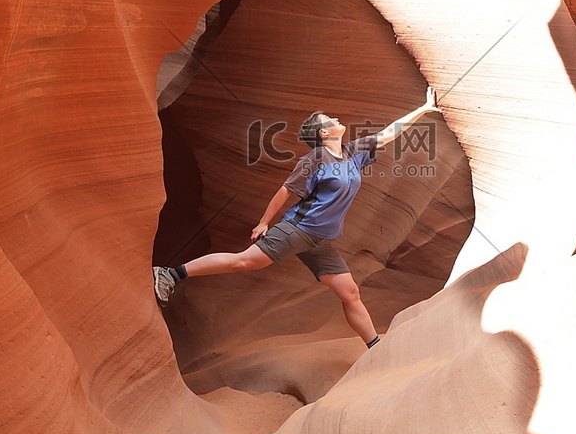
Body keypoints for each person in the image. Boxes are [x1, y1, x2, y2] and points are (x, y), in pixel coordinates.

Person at [153, 86, 441, 349]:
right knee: (245, 261)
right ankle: (169, 273)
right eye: (329, 119)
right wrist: (265, 222)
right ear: (323, 134)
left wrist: (424, 109)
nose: (336, 119)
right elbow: (286, 191)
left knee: (350, 291)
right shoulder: (315, 159)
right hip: (298, 229)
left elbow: (389, 133)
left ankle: (375, 347)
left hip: (321, 241)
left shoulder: (353, 152)